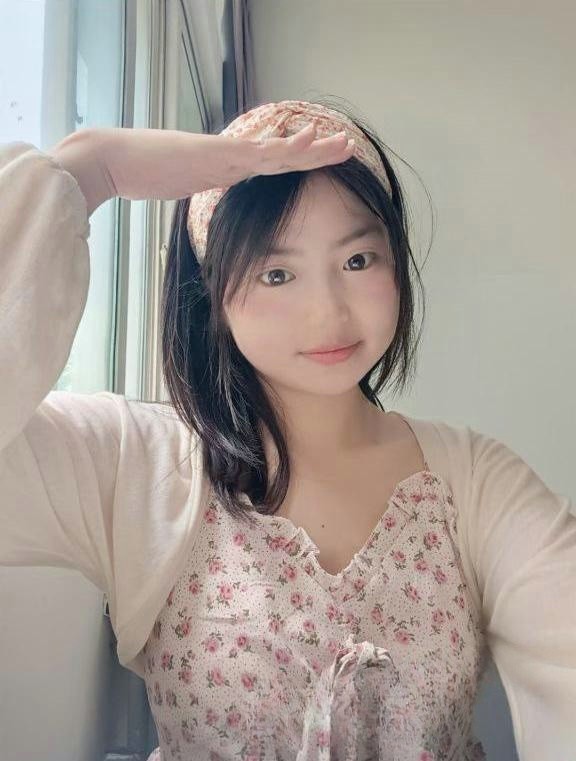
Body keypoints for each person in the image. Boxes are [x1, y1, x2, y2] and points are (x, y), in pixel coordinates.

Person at [1, 99, 574, 761]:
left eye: (358, 260)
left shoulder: (474, 483)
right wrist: (90, 169)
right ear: (213, 293)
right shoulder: (133, 463)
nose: (327, 311)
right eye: (277, 273)